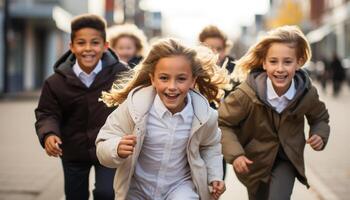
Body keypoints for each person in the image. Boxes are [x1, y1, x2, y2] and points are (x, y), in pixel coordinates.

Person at [96, 38, 227, 200]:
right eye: (164, 78)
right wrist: (116, 147)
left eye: (181, 79)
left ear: (193, 81)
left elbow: (210, 147)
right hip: (137, 189)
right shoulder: (134, 108)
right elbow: (103, 143)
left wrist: (214, 176)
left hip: (180, 187)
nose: (172, 87)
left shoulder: (204, 116)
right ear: (153, 79)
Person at [218, 25, 330, 200]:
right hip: (253, 163)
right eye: (273, 61)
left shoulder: (306, 93)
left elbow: (320, 118)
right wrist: (236, 154)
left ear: (299, 62)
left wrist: (319, 134)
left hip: (287, 159)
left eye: (287, 62)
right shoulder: (246, 94)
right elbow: (224, 123)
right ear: (264, 63)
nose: (280, 68)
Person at [34, 14, 128, 200]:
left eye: (94, 43)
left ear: (105, 45)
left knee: (107, 193)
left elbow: (135, 107)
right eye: (81, 43)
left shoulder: (122, 75)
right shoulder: (55, 82)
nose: (88, 49)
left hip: (108, 148)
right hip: (72, 150)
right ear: (71, 46)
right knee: (75, 196)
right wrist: (49, 134)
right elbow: (47, 113)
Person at [198, 25, 236, 179]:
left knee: (216, 179)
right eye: (209, 48)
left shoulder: (235, 72)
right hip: (197, 135)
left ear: (225, 50)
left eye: (218, 49)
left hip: (221, 138)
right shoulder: (192, 70)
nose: (214, 53)